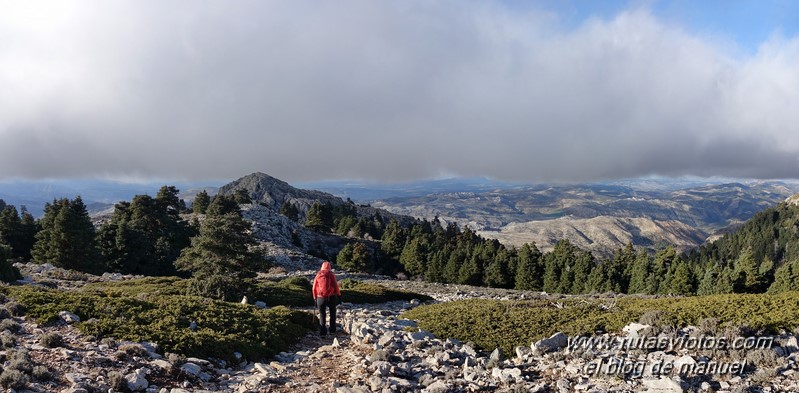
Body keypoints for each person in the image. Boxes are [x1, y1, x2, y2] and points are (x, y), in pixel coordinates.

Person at [312, 261, 341, 336]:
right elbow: (336, 286)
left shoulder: (318, 274)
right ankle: (332, 330)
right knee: (332, 313)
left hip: (320, 297)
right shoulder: (331, 274)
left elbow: (314, 287)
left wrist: (315, 297)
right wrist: (339, 294)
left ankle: (323, 332)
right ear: (329, 267)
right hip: (330, 297)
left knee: (322, 314)